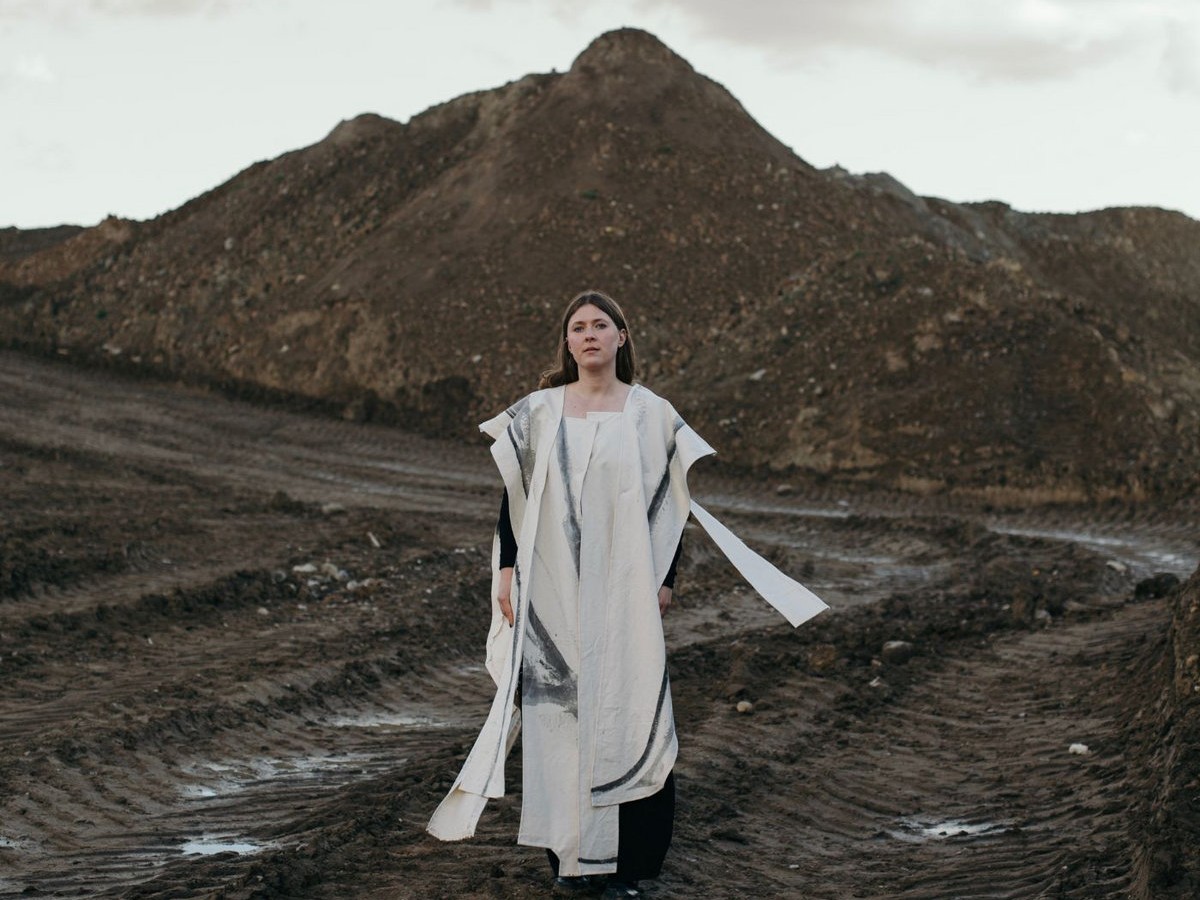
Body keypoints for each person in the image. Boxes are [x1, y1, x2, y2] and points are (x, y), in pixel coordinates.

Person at [427, 290, 828, 898]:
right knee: (559, 715)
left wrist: (665, 579)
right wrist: (506, 568)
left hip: (624, 590)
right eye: (578, 327)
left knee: (632, 708)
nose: (589, 335)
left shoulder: (651, 414)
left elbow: (671, 504)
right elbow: (516, 496)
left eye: (600, 325)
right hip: (552, 591)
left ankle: (628, 867)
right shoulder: (538, 411)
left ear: (621, 336)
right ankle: (571, 862)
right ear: (567, 343)